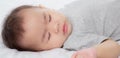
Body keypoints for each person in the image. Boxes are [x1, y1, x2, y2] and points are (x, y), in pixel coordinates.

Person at [1, 0, 120, 58]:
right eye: (48, 36)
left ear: (44, 7)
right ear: (41, 50)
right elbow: (114, 47)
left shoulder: (64, 10)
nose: (55, 27)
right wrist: (93, 53)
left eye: (48, 18)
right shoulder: (74, 40)